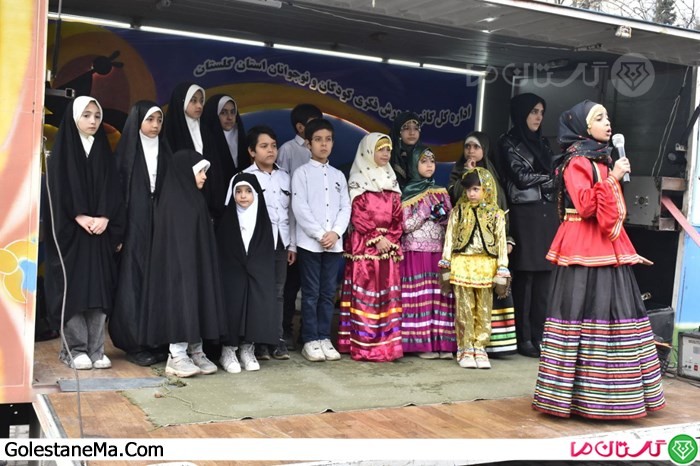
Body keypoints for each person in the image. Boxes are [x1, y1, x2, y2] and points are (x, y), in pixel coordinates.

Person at [532, 100, 665, 419]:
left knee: (613, 308)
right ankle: (580, 397)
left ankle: (613, 396)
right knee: (583, 308)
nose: (608, 123)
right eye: (599, 118)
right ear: (583, 126)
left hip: (605, 244)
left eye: (607, 117)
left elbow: (610, 210)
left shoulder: (602, 160)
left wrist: (612, 177)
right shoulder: (577, 161)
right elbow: (585, 205)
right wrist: (612, 178)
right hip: (582, 243)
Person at [44, 96, 124, 370]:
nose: (92, 121)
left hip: (99, 233)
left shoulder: (102, 150)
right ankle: (74, 350)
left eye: (97, 116)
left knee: (98, 292)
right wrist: (78, 215)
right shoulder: (62, 152)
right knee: (74, 291)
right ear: (74, 117)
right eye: (86, 115)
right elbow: (56, 192)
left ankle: (96, 349)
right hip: (72, 234)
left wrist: (105, 217)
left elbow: (113, 189)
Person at [140, 149, 224, 378]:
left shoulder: (195, 198)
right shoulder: (172, 201)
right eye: (200, 172)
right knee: (181, 301)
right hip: (177, 270)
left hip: (195, 266)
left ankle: (196, 350)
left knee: (197, 299)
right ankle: (176, 355)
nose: (204, 176)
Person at [497, 93, 559, 358]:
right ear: (522, 113)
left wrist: (549, 179)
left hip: (546, 213)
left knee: (545, 277)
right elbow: (521, 177)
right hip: (524, 213)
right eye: (533, 111)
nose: (538, 117)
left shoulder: (543, 142)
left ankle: (539, 335)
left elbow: (555, 176)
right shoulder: (508, 142)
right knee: (524, 278)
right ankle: (523, 338)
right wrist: (549, 179)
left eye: (541, 112)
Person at [110, 101, 171, 367]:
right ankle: (134, 343)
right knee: (132, 282)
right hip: (133, 228)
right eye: (150, 120)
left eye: (159, 120)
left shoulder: (167, 153)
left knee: (158, 282)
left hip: (161, 228)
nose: (155, 125)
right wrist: (118, 234)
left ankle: (156, 341)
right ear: (138, 121)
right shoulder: (125, 154)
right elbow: (116, 196)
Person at [448, 131, 518, 357]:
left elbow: (502, 209)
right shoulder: (457, 173)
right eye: (467, 146)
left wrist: (507, 238)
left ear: (484, 150)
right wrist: (466, 175)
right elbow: (455, 201)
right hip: (466, 253)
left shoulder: (492, 176)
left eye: (476, 147)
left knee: (489, 298)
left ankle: (487, 346)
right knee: (466, 301)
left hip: (489, 252)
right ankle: (466, 345)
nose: (471, 151)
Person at [338, 133, 404, 362]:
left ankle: (387, 347)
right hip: (365, 246)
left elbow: (398, 217)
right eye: (380, 149)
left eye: (388, 150)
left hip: (388, 249)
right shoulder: (358, 180)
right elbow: (358, 215)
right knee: (366, 297)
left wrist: (390, 239)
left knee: (387, 297)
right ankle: (365, 347)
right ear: (368, 152)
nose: (386, 154)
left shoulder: (391, 180)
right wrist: (378, 238)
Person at [291, 118, 351, 362]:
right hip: (310, 244)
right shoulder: (301, 173)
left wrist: (335, 232)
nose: (323, 144)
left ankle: (324, 337)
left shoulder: (338, 176)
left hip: (333, 244)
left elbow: (345, 207)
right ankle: (310, 339)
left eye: (328, 140)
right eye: (318, 140)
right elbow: (300, 207)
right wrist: (319, 234)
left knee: (328, 293)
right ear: (308, 144)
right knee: (311, 293)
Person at [440, 167, 510, 369]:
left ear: (486, 188)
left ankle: (480, 347)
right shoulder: (458, 211)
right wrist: (446, 263)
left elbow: (501, 242)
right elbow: (449, 238)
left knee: (484, 308)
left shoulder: (496, 214)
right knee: (464, 308)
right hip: (462, 264)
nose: (471, 193)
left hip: (486, 266)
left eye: (476, 189)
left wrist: (502, 266)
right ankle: (465, 347)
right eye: (468, 189)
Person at [242, 125, 296, 361]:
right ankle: (259, 340)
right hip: (256, 245)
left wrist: (292, 245)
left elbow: (291, 214)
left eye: (273, 146)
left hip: (281, 243)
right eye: (264, 146)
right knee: (258, 292)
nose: (271, 150)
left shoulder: (285, 177)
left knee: (277, 293)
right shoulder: (244, 177)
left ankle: (276, 339)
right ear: (252, 151)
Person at [398, 142, 456, 359]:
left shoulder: (441, 191)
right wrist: (423, 212)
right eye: (423, 161)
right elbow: (404, 226)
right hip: (415, 252)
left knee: (439, 296)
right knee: (420, 297)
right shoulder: (407, 193)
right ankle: (422, 345)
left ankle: (442, 343)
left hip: (438, 251)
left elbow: (450, 221)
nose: (429, 165)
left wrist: (443, 216)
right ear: (414, 164)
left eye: (432, 161)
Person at [216, 172, 279, 373]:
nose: (243, 196)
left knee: (255, 306)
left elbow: (266, 250)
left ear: (256, 194)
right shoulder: (226, 220)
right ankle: (228, 350)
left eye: (248, 191)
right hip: (232, 272)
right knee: (232, 306)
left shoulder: (262, 220)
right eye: (238, 191)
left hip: (255, 271)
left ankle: (247, 348)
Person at [277, 103, 323, 349]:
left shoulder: (321, 149)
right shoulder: (288, 150)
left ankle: (309, 332)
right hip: (294, 229)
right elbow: (283, 190)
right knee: (290, 285)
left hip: (317, 233)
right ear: (300, 127)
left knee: (313, 287)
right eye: (314, 123)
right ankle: (285, 330)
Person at [164, 83, 223, 224]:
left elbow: (215, 168)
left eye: (201, 101)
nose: (199, 106)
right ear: (182, 101)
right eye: (193, 100)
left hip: (207, 202)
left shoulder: (205, 131)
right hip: (180, 204)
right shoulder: (169, 132)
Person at [201, 93, 250, 190]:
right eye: (223, 112)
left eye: (233, 112)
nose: (229, 117)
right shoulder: (204, 143)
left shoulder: (243, 140)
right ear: (214, 115)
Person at [389, 111, 430, 190]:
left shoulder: (424, 153)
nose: (412, 133)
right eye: (406, 128)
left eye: (416, 128)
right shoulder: (388, 154)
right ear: (398, 131)